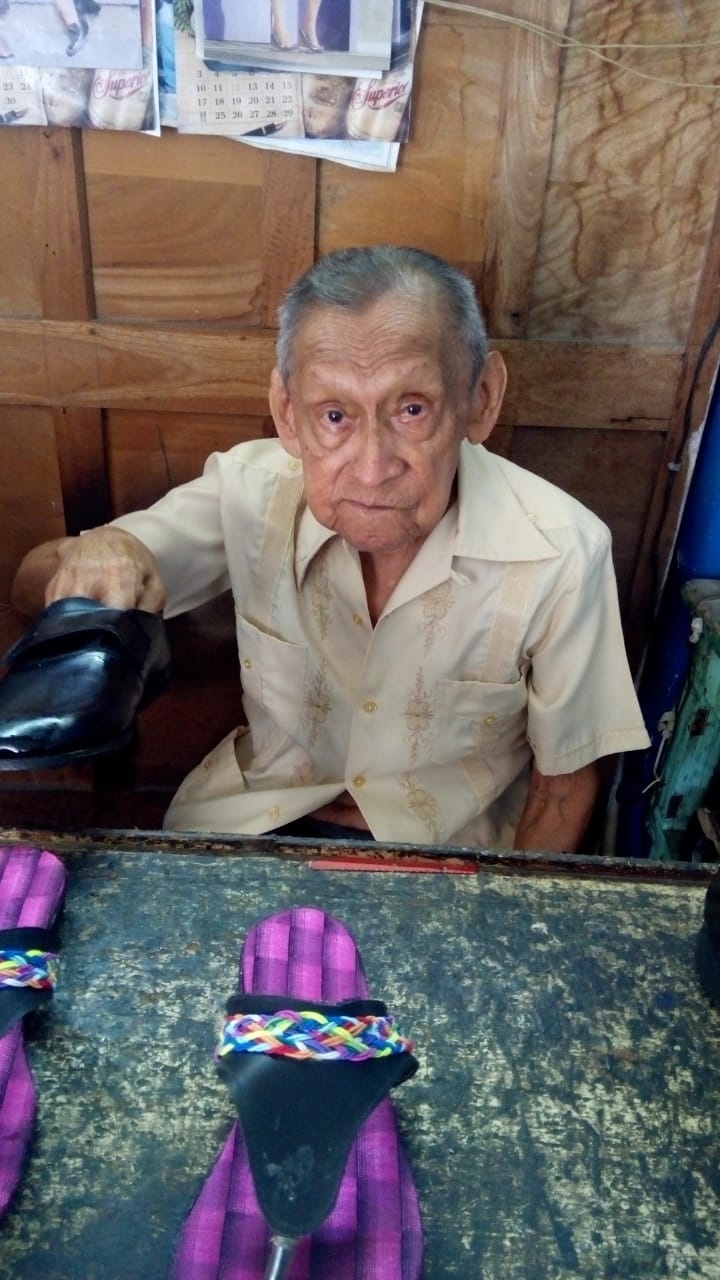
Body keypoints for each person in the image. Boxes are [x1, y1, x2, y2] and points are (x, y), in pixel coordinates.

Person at [11, 246, 650, 851]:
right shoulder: (251, 491)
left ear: (479, 400)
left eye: (411, 409)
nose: (371, 469)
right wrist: (104, 552)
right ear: (287, 413)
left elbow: (565, 787)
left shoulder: (561, 549)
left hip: (447, 856)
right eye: (335, 416)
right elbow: (34, 581)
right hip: (258, 822)